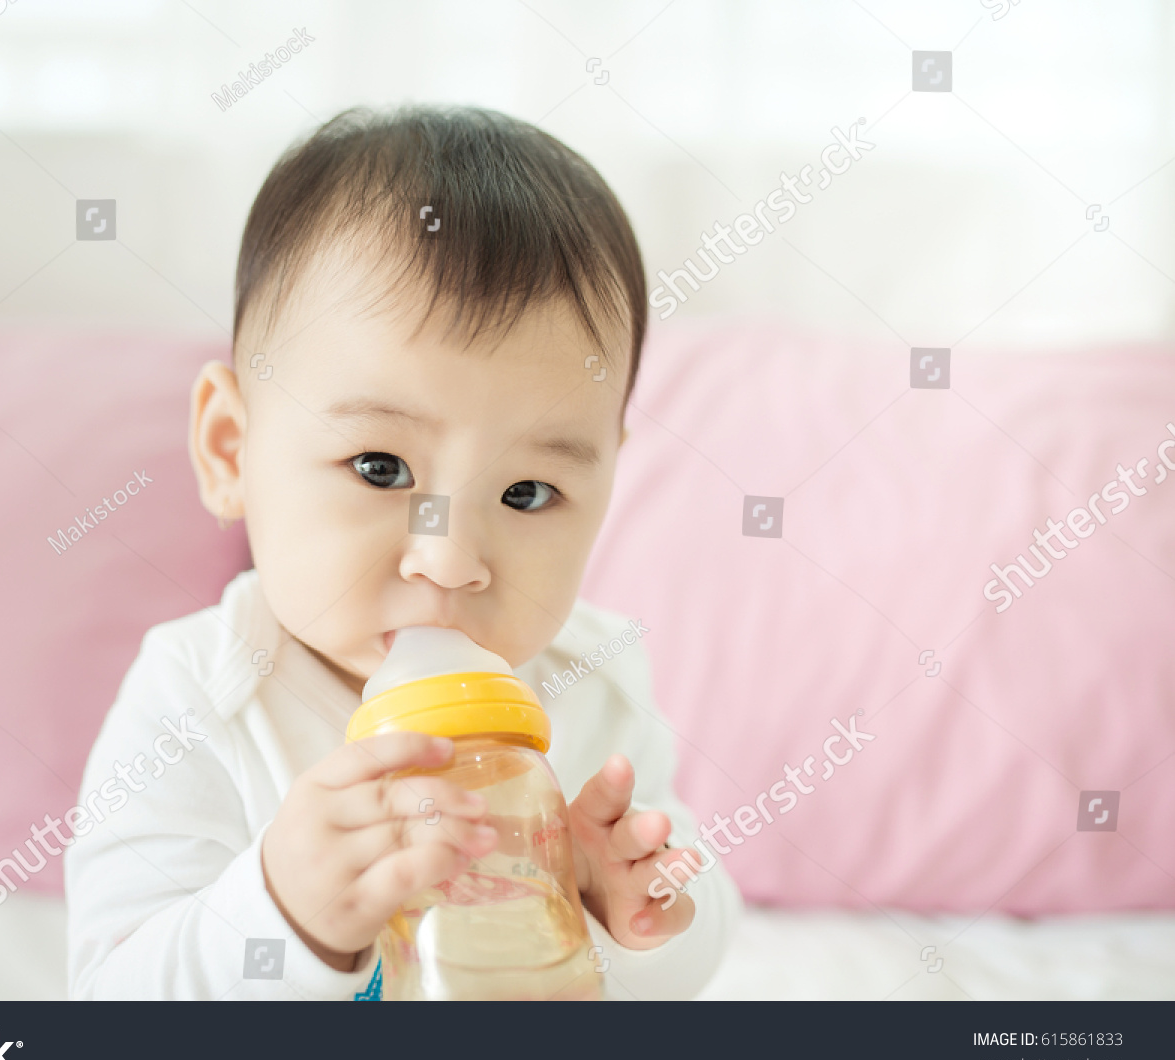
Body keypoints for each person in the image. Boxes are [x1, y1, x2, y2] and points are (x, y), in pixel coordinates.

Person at [66, 105, 740, 999]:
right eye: (381, 468)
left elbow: (705, 932)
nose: (449, 559)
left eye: (527, 492)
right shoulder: (201, 695)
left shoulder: (594, 682)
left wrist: (621, 913)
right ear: (232, 449)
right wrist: (281, 915)